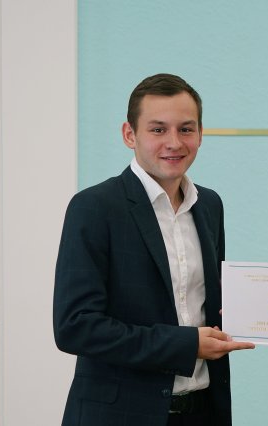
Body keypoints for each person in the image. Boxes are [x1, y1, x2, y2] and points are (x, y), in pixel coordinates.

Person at [53, 73, 254, 426]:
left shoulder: (209, 205)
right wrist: (186, 345)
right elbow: (76, 326)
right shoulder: (94, 207)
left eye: (186, 129)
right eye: (158, 129)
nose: (174, 142)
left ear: (200, 134)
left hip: (203, 412)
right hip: (119, 416)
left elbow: (209, 306)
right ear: (129, 134)